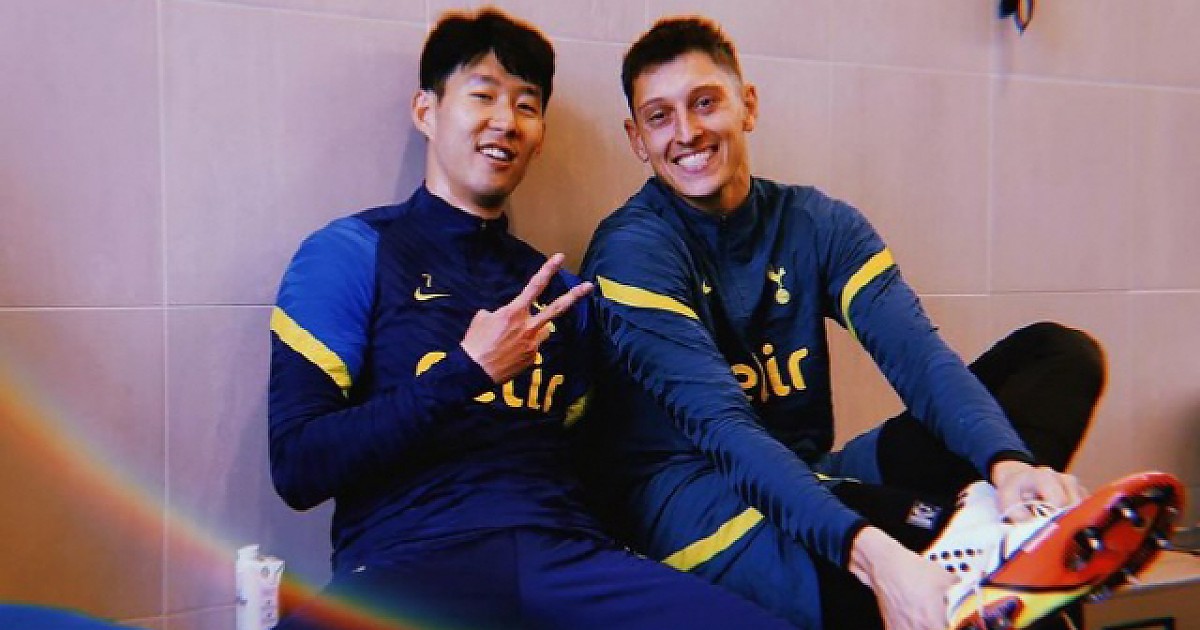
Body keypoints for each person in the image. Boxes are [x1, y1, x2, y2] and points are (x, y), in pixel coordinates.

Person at [576, 16, 1110, 629]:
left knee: (1059, 358)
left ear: (748, 106)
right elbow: (725, 430)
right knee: (930, 560)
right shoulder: (633, 251)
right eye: (660, 116)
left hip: (812, 474)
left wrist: (1007, 463)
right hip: (695, 510)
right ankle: (985, 548)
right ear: (637, 138)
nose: (687, 132)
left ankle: (1002, 523)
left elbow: (920, 360)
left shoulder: (817, 223)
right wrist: (876, 556)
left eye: (705, 102)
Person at [267, 9, 792, 630]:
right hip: (409, 563)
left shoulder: (562, 291)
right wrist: (465, 373)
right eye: (482, 95)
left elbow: (595, 463)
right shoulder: (351, 253)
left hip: (564, 560)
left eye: (526, 105)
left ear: (539, 134)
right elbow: (297, 468)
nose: (505, 121)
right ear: (426, 112)